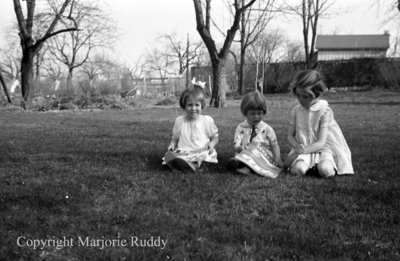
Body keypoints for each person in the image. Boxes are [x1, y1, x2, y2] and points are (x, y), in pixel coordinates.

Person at [284, 69, 354, 177]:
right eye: (298, 95)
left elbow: (321, 142)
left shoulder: (324, 111)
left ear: (317, 94)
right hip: (303, 148)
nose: (300, 99)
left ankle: (321, 165)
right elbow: (290, 136)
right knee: (298, 170)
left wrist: (304, 150)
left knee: (325, 170)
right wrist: (297, 146)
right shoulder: (296, 111)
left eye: (305, 96)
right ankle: (308, 166)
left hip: (322, 149)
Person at [163, 81, 219, 172]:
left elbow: (215, 138)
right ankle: (185, 164)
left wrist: (211, 144)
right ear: (184, 106)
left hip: (201, 150)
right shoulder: (180, 121)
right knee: (175, 155)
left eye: (197, 105)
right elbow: (175, 138)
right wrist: (172, 145)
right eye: (189, 105)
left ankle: (192, 165)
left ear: (202, 106)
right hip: (185, 152)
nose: (193, 108)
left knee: (207, 156)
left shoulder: (207, 121)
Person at [228, 91, 283, 177]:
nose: (256, 117)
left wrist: (277, 157)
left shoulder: (267, 129)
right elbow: (236, 144)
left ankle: (247, 169)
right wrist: (239, 149)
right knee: (240, 158)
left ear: (263, 112)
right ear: (245, 113)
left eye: (259, 113)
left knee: (256, 161)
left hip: (261, 156)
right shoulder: (241, 127)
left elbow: (275, 145)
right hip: (245, 154)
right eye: (252, 114)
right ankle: (239, 164)